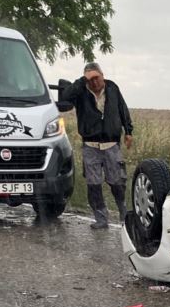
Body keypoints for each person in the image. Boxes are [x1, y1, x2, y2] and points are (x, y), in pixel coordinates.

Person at [56, 62, 134, 229]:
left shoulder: (113, 88)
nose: (94, 82)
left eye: (96, 78)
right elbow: (66, 98)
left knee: (117, 182)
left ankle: (123, 213)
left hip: (112, 145)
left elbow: (123, 109)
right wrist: (81, 80)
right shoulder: (80, 90)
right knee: (93, 185)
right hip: (90, 146)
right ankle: (101, 218)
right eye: (90, 79)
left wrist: (128, 131)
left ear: (103, 75)